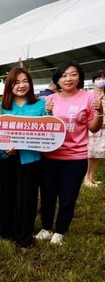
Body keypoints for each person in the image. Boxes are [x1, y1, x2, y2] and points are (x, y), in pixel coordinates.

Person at [36, 61, 103, 245]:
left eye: (73, 74)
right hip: (49, 156)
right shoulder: (49, 100)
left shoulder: (89, 98)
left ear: (79, 77)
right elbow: (42, 128)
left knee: (68, 196)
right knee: (48, 195)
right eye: (64, 75)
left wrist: (99, 112)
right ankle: (47, 227)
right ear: (57, 80)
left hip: (75, 157)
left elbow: (93, 128)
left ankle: (60, 230)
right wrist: (46, 115)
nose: (68, 79)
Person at [0, 68, 45, 248]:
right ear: (10, 85)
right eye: (16, 82)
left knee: (28, 198)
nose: (21, 85)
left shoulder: (41, 104)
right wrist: (4, 147)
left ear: (30, 84)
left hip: (31, 159)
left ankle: (24, 236)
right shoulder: (1, 107)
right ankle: (7, 231)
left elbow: (49, 133)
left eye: (25, 81)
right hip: (8, 158)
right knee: (7, 195)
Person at [84, 70, 105, 186]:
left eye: (103, 78)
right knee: (91, 154)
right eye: (98, 78)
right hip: (93, 129)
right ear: (93, 81)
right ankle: (86, 178)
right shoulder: (90, 95)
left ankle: (92, 177)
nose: (101, 80)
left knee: (99, 154)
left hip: (104, 130)